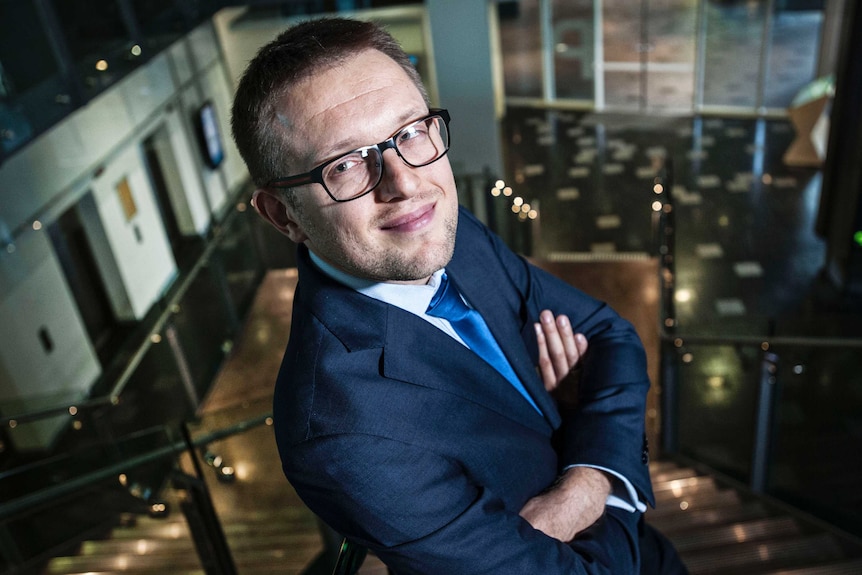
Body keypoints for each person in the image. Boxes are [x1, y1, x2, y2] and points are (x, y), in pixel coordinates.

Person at [231, 17, 686, 574]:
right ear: (284, 216)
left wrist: (585, 485)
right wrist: (604, 467)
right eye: (346, 165)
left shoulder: (442, 228)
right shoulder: (340, 433)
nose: (405, 185)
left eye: (410, 133)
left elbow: (610, 335)